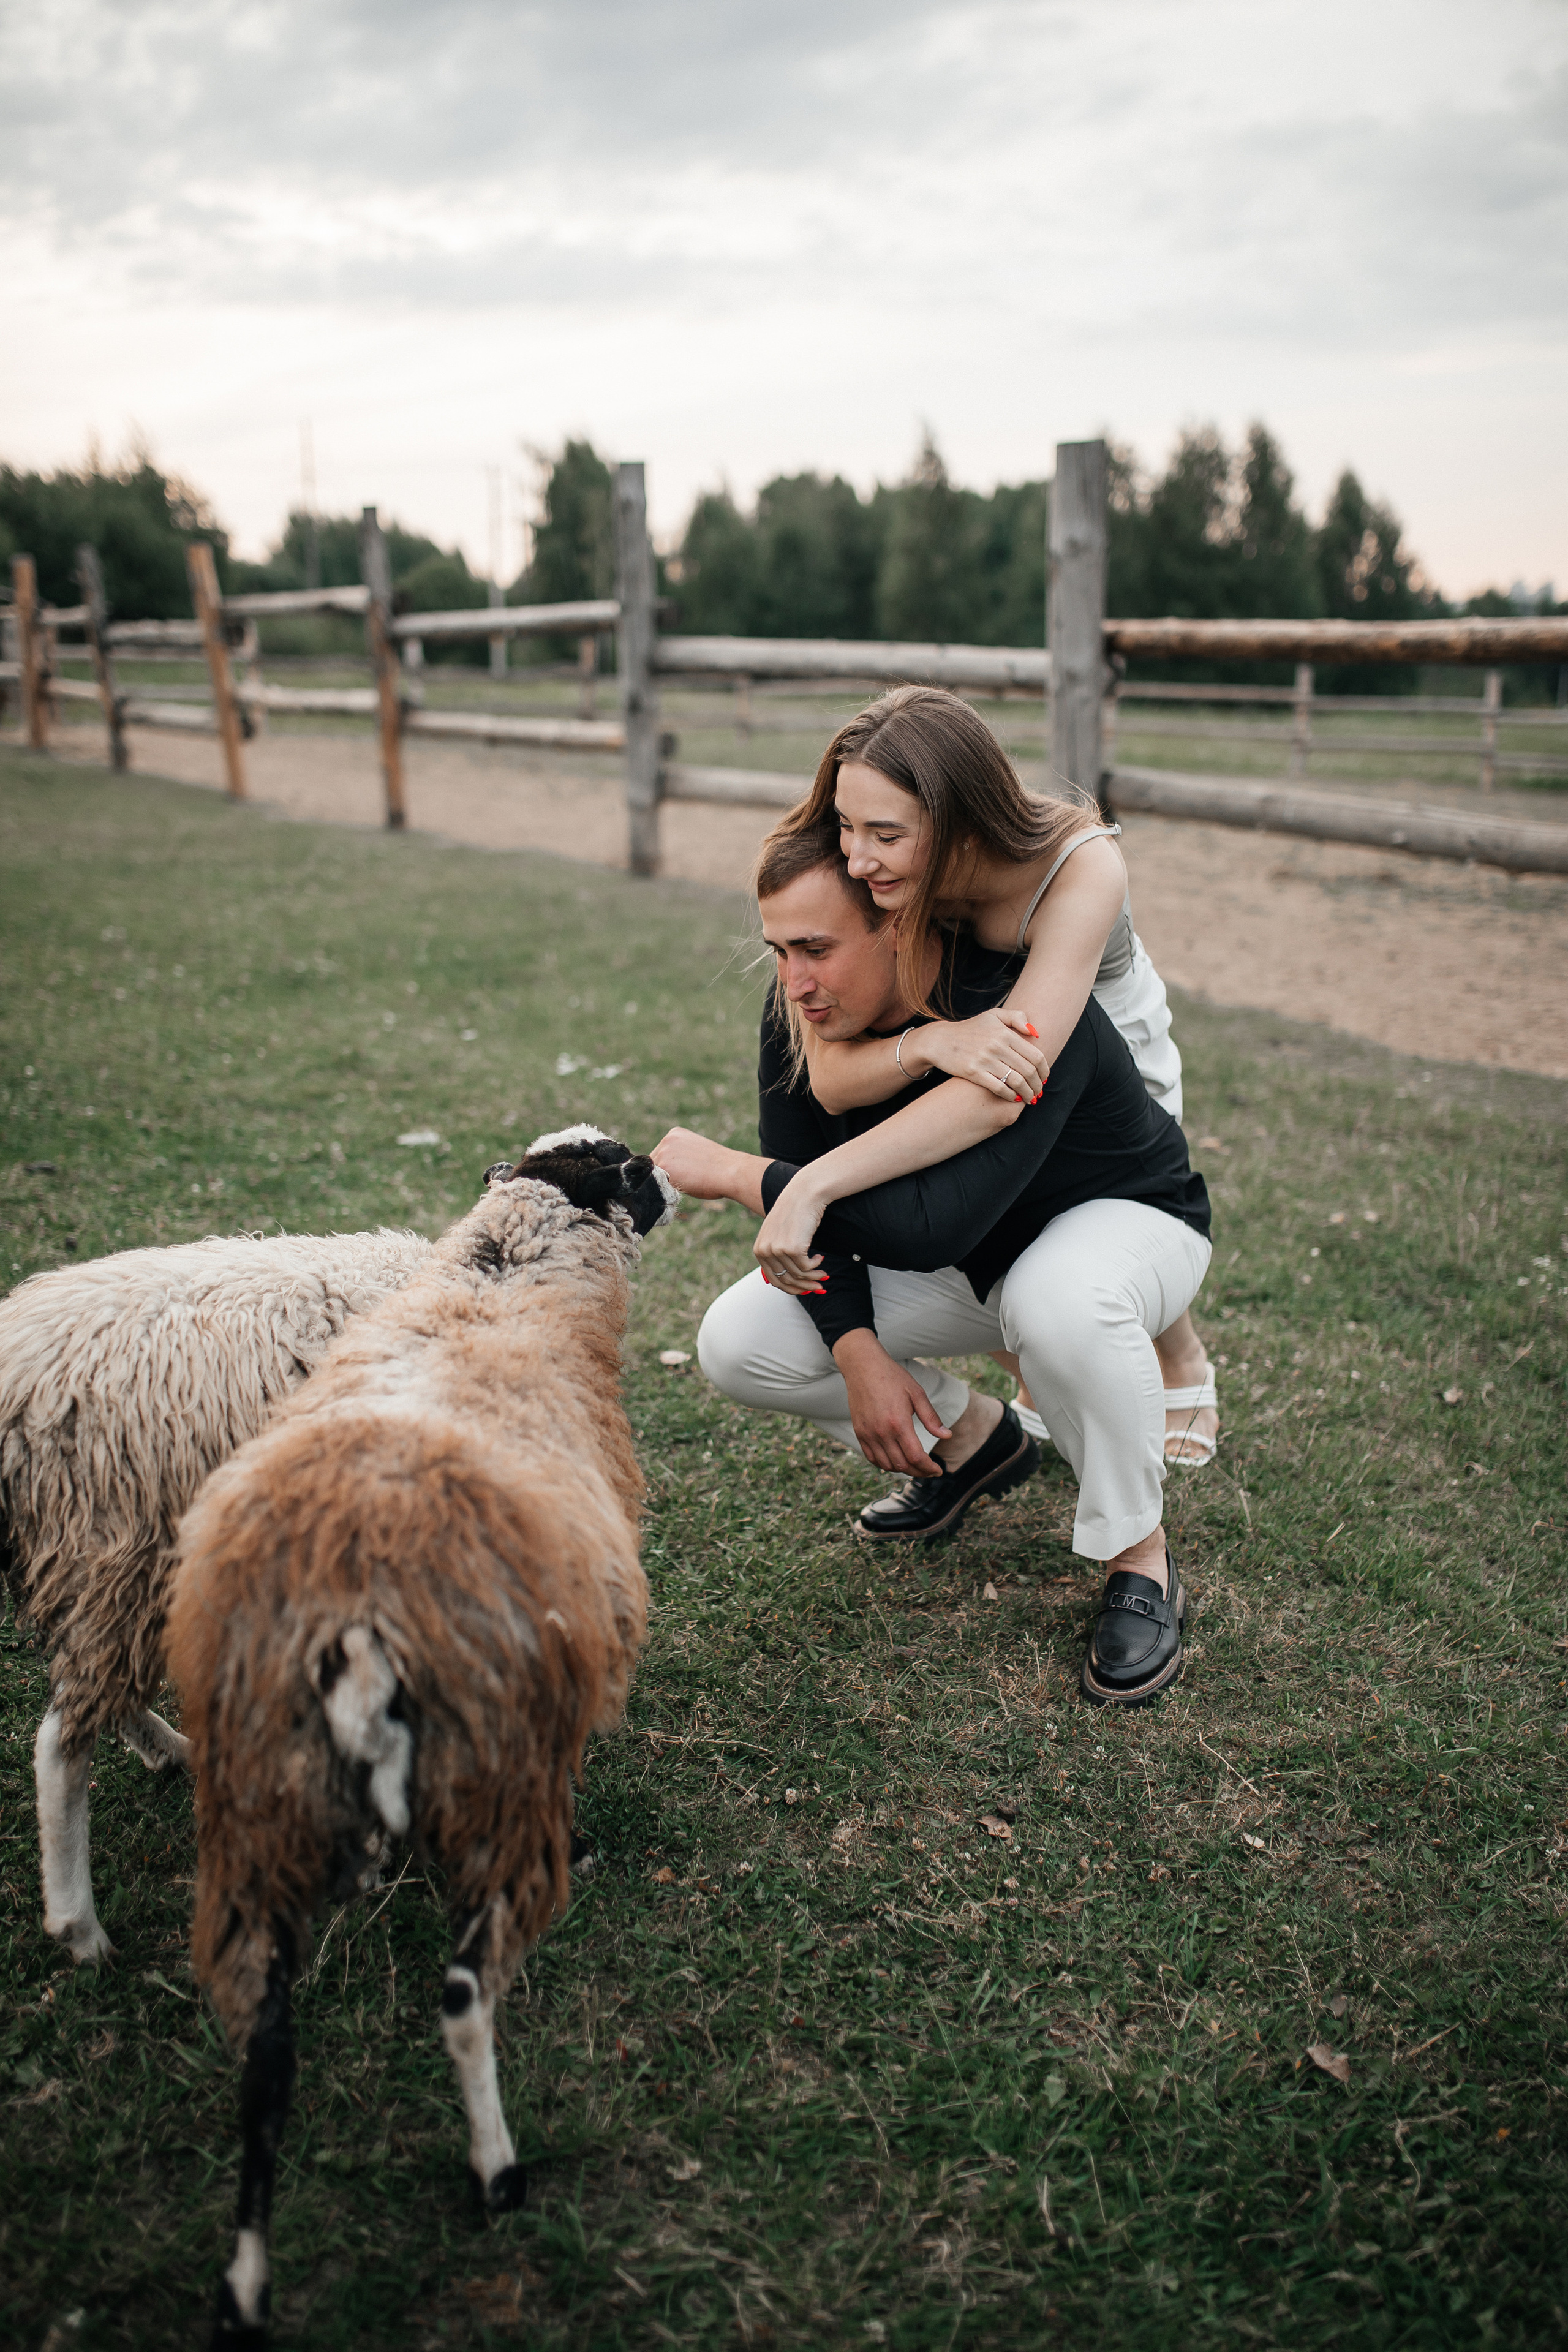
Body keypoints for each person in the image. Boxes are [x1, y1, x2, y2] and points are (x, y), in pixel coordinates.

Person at [654, 821, 1214, 1708]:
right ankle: (974, 1443)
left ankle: (1138, 1556)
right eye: (778, 950)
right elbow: (819, 1213)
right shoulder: (799, 1016)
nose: (794, 979)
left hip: (1123, 1230)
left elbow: (923, 1225)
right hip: (975, 1264)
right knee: (738, 1339)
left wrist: (734, 1175)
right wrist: (857, 1352)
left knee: (1056, 1299)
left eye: (816, 948)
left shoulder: (1016, 1005)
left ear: (899, 927)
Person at [748, 685, 1217, 1469]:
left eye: (884, 834)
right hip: (970, 1026)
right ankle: (1028, 1369)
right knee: (996, 1206)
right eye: (845, 825)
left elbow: (1006, 1082)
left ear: (956, 822)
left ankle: (1181, 1356)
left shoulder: (1079, 866)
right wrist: (932, 1042)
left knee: (1094, 1197)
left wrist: (808, 1185)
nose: (856, 860)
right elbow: (826, 1076)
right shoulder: (886, 872)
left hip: (1099, 1041)